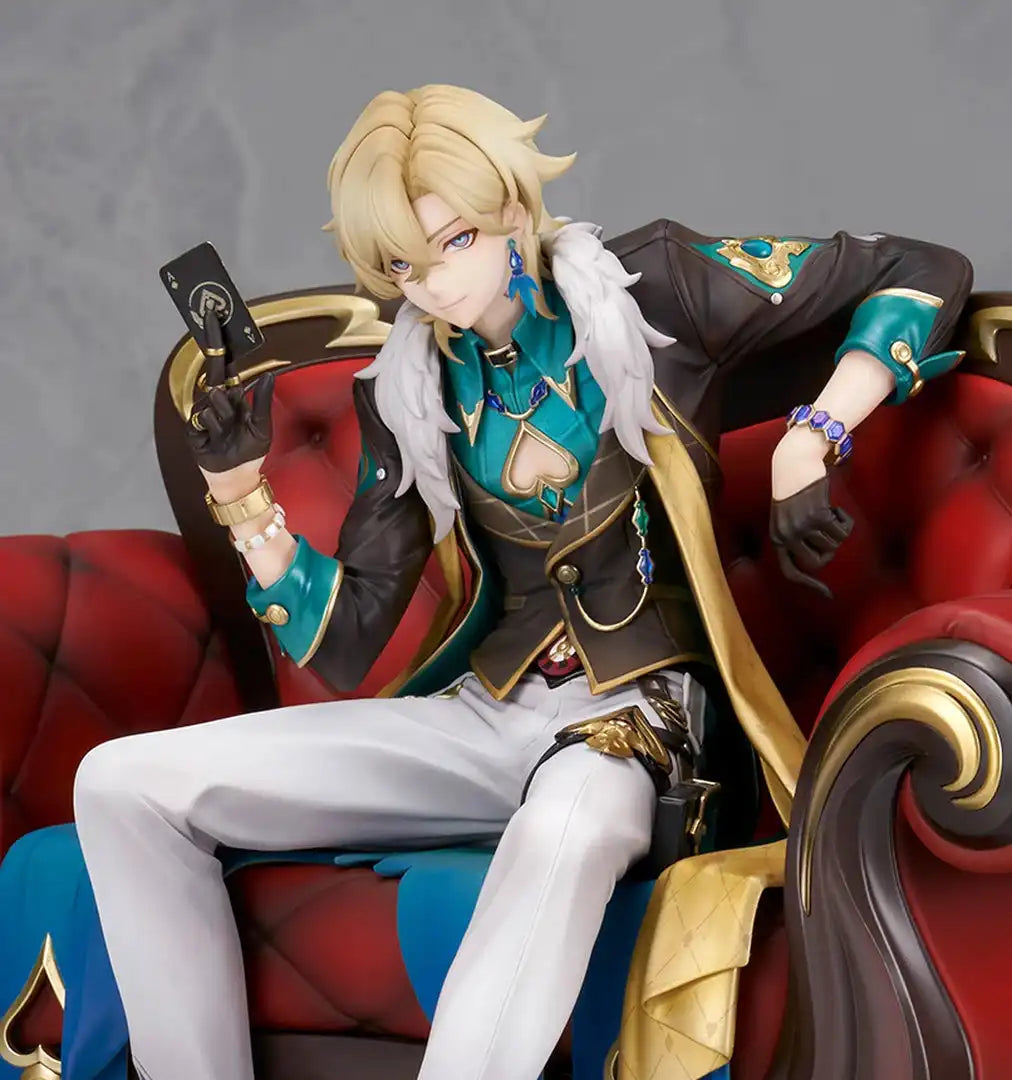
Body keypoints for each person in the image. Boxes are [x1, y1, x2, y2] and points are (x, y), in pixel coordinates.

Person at [72, 83, 972, 1080]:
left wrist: (815, 436)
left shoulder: (655, 289)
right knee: (121, 783)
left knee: (562, 831)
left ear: (509, 207)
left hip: (636, 725)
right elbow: (347, 638)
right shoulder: (410, 388)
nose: (432, 284)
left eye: (453, 241)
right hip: (486, 713)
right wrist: (240, 494)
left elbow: (920, 268)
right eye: (402, 266)